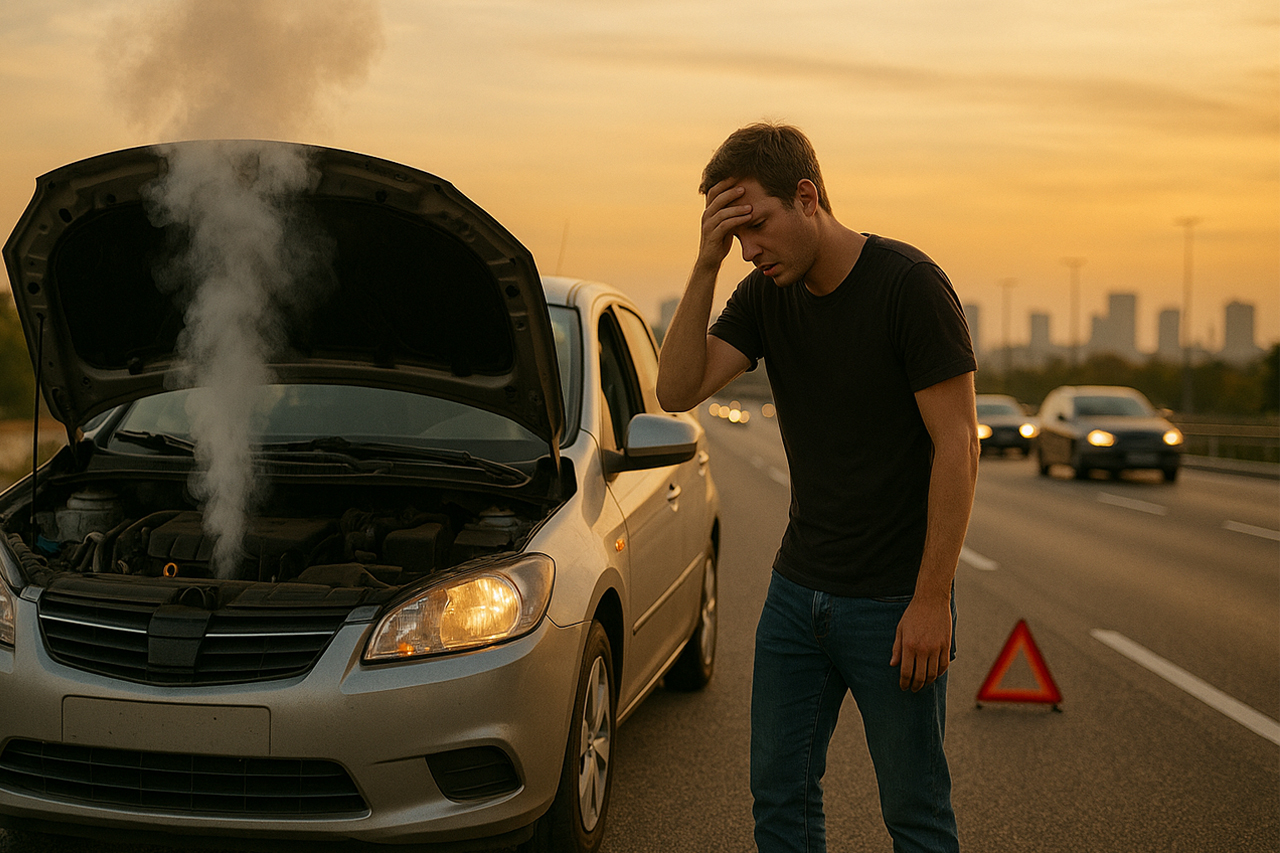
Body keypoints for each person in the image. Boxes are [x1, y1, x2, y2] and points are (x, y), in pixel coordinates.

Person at [655, 123, 978, 853]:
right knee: (780, 799)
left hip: (895, 603)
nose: (750, 249)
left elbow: (958, 447)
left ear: (808, 198)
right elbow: (676, 388)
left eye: (757, 226)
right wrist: (705, 264)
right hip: (797, 596)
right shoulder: (766, 294)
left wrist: (932, 599)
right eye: (734, 237)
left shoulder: (908, 286)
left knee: (915, 813)